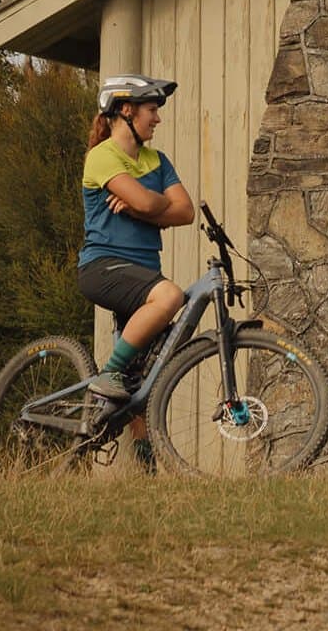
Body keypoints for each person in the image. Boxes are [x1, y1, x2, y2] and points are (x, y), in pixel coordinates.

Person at [79, 74, 196, 471]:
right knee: (171, 297)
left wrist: (143, 206)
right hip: (103, 267)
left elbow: (185, 211)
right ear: (125, 110)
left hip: (142, 274)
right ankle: (106, 375)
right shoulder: (102, 155)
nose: (157, 119)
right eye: (152, 110)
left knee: (144, 381)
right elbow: (154, 202)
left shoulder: (156, 161)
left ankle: (146, 474)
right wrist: (150, 204)